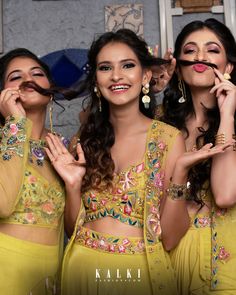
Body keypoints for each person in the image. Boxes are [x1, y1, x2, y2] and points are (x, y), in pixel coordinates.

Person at [45, 29, 228, 295]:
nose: (116, 76)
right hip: (82, 268)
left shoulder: (167, 138)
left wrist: (179, 172)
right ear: (96, 80)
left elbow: (170, 238)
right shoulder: (84, 139)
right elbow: (73, 229)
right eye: (105, 67)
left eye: (128, 65)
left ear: (144, 76)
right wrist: (73, 186)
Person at [155, 18, 236, 294]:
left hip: (223, 264)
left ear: (228, 67)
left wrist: (227, 115)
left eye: (212, 50)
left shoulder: (234, 121)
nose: (200, 56)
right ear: (178, 67)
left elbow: (225, 195)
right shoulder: (159, 123)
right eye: (190, 50)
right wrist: (148, 90)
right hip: (166, 256)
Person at [0, 48, 66, 295]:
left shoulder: (63, 147)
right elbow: (3, 203)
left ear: (49, 89)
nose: (28, 79)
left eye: (37, 73)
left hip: (50, 275)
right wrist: (15, 123)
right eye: (15, 76)